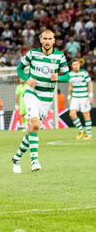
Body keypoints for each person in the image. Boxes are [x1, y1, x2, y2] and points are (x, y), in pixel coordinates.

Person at [11, 30, 70, 174]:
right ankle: (34, 161)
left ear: (54, 40)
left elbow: (67, 76)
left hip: (47, 98)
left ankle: (17, 158)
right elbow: (19, 69)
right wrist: (27, 79)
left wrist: (58, 78)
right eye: (45, 38)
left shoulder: (59, 56)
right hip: (32, 94)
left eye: (50, 38)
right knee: (36, 124)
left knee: (33, 128)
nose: (48, 41)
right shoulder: (32, 53)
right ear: (41, 40)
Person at [68, 58, 93, 140]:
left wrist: (91, 95)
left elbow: (90, 84)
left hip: (84, 97)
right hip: (75, 97)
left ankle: (89, 133)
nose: (75, 66)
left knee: (86, 114)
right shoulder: (70, 74)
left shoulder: (84, 73)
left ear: (79, 65)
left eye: (77, 64)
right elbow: (70, 86)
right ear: (72, 66)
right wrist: (69, 96)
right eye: (74, 65)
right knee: (72, 114)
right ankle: (81, 130)